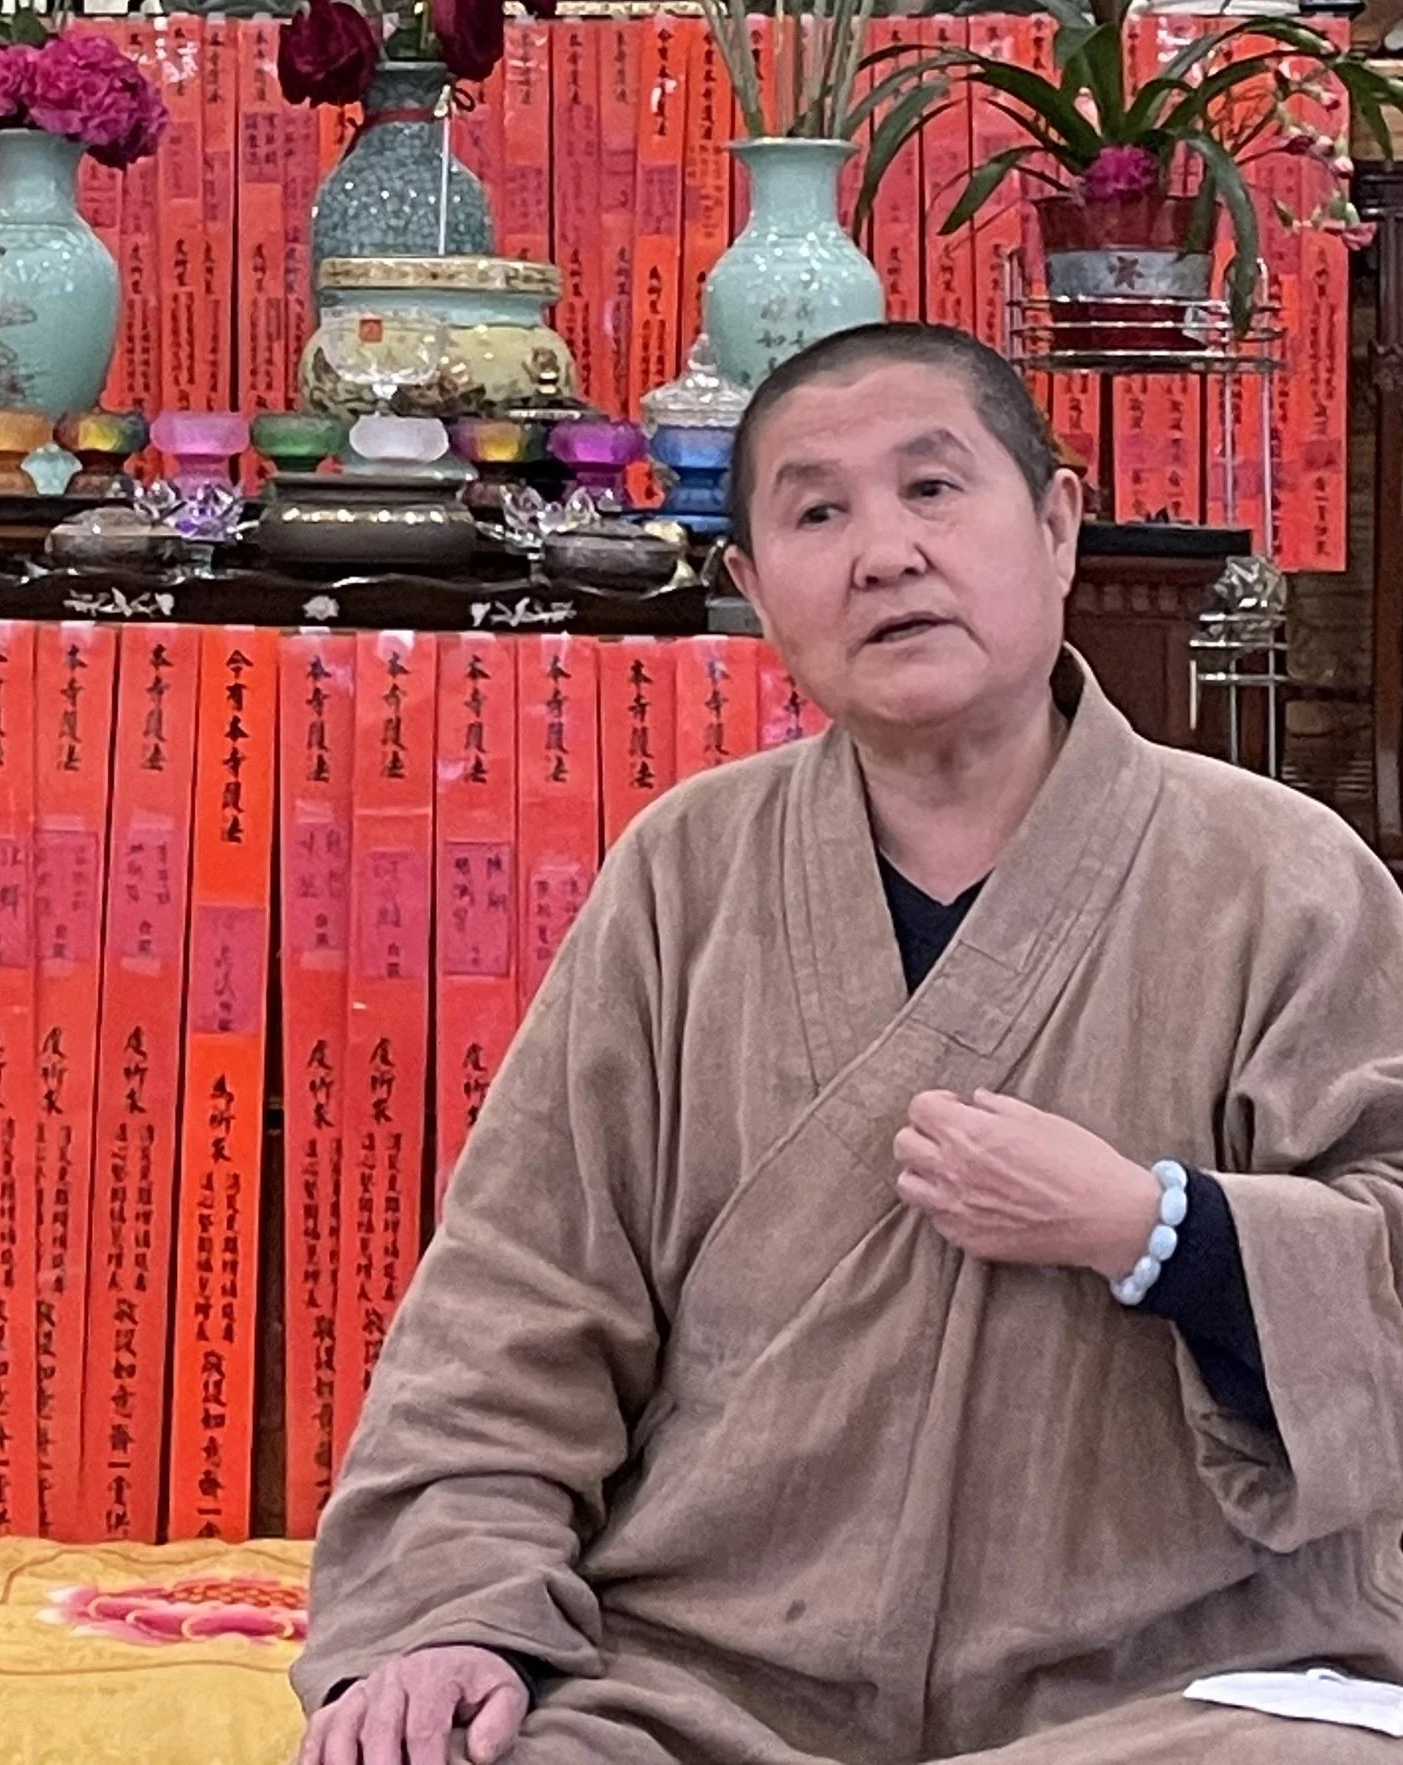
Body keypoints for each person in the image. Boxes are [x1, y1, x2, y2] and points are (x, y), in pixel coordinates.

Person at [297, 320, 1403, 1765]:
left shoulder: (1284, 876)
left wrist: (1161, 1232)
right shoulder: (686, 874)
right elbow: (523, 1293)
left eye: (933, 489)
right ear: (757, 588)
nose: (885, 553)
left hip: (1164, 1683)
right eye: (818, 514)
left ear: (1056, 526)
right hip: (711, 1681)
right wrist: (452, 1612)